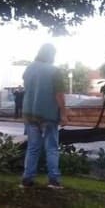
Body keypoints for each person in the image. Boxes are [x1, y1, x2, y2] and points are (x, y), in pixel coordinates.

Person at [20, 43, 69, 190]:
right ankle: (53, 180)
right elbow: (59, 95)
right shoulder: (54, 71)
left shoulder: (29, 69)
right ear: (51, 55)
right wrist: (64, 113)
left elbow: (28, 88)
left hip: (29, 114)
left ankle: (27, 180)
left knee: (33, 147)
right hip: (48, 115)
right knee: (52, 148)